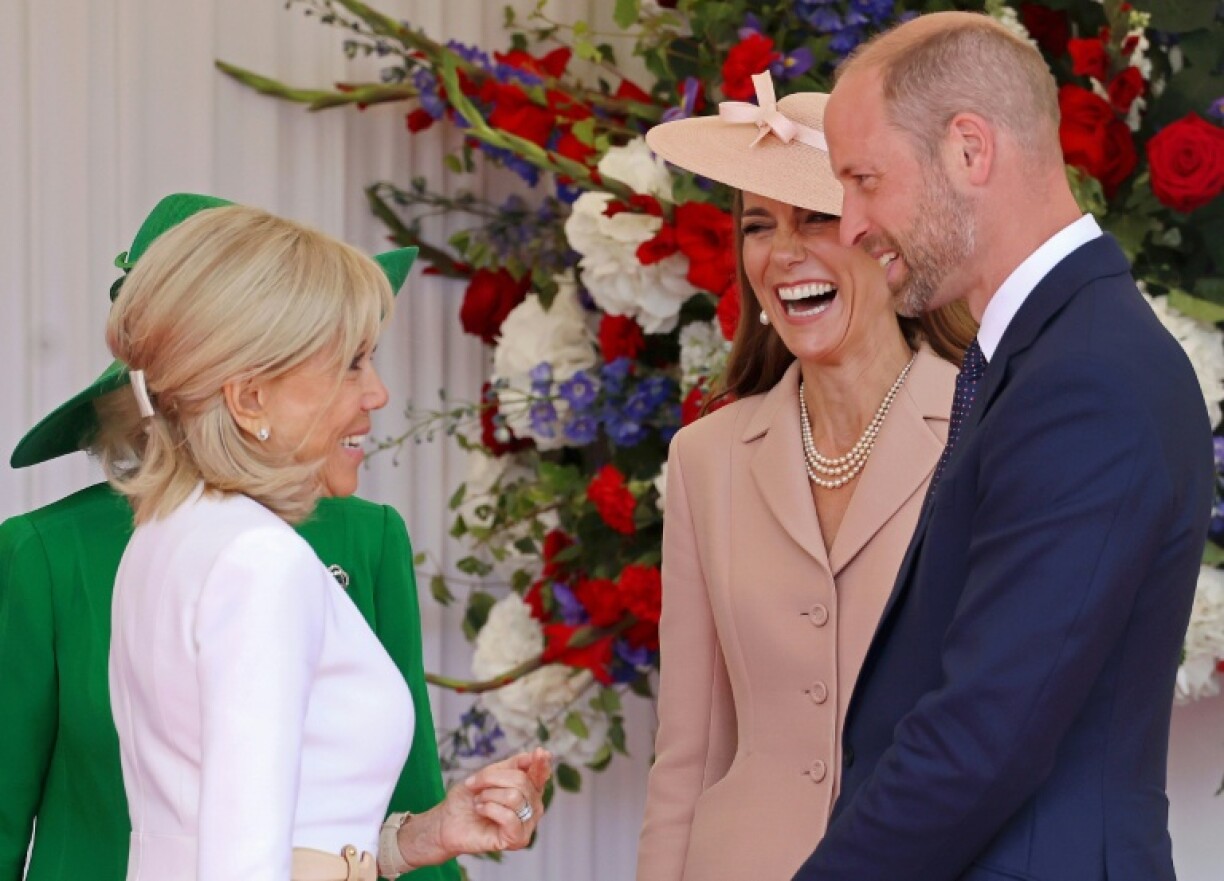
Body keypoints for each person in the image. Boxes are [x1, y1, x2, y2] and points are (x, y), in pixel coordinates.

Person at [792, 13, 1213, 881]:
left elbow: (983, 734)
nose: (850, 224)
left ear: (969, 151)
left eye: (866, 180)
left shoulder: (1087, 375)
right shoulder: (1047, 351)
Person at [29, 193, 542, 881]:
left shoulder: (167, 533)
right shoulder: (258, 559)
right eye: (351, 363)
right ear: (249, 398)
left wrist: (411, 840)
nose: (378, 393)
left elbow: (213, 819)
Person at [634, 73, 974, 881]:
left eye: (817, 217)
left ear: (890, 243)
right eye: (758, 226)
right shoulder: (705, 457)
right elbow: (685, 754)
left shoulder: (986, 431)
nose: (783, 253)